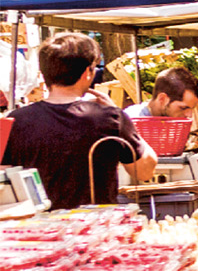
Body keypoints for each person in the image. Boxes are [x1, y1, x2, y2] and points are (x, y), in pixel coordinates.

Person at [3, 33, 156, 207]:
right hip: (97, 227)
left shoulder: (16, 120)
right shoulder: (109, 118)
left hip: (38, 228)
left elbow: (4, 178)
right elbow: (144, 171)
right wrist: (122, 118)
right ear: (87, 73)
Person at [126, 67, 198, 121]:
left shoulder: (171, 122)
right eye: (183, 108)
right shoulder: (133, 122)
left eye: (191, 109)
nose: (189, 115)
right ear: (162, 98)